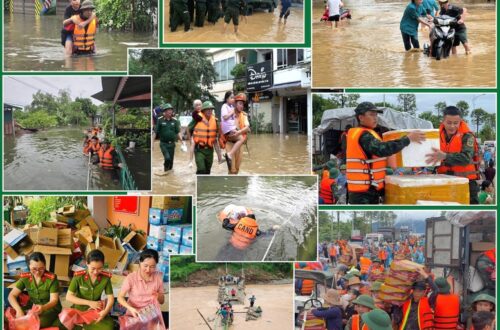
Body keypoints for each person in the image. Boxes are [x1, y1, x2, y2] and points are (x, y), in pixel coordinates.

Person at [346, 102, 426, 204]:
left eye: (376, 115)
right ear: (361, 117)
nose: (375, 118)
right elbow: (382, 150)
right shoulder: (364, 135)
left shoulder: (366, 133)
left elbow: (374, 160)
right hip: (363, 195)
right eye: (371, 115)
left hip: (367, 190)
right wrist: (407, 139)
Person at [425, 106, 480, 204]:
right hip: (445, 181)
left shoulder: (467, 136)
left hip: (466, 183)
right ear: (443, 121)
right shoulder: (436, 135)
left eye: (456, 123)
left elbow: (466, 158)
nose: (452, 126)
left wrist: (445, 156)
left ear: (460, 122)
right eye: (449, 123)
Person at [7, 253, 62, 328]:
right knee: (7, 317)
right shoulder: (25, 277)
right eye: (34, 269)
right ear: (29, 266)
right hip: (32, 306)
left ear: (45, 266)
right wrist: (18, 310)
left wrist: (43, 307)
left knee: (37, 322)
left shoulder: (51, 278)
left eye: (41, 268)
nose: (37, 272)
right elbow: (12, 295)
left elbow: (54, 300)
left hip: (49, 308)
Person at [65, 250, 115, 329]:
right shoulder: (78, 276)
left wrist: (105, 312)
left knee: (110, 327)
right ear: (87, 264)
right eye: (93, 268)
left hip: (95, 311)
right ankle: (82, 324)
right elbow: (68, 297)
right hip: (80, 310)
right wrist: (89, 303)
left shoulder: (105, 278)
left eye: (99, 268)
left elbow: (111, 298)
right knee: (65, 322)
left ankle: (83, 325)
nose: (96, 272)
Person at [117, 249, 166, 329]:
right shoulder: (131, 278)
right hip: (134, 314)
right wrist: (131, 308)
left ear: (156, 265)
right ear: (140, 262)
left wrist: (158, 296)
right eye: (145, 266)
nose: (148, 270)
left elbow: (162, 301)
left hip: (151, 315)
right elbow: (120, 297)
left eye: (152, 267)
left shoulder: (158, 277)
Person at [191, 101, 220, 174]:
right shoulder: (197, 119)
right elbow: (188, 129)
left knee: (207, 171)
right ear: (203, 110)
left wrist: (219, 155)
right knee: (201, 169)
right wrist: (191, 140)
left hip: (210, 150)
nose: (210, 111)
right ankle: (198, 182)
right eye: (208, 109)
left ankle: (198, 182)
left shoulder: (215, 121)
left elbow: (215, 140)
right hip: (199, 150)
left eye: (211, 109)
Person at [225, 92, 250, 174]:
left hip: (240, 145)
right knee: (231, 170)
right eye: (239, 103)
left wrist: (238, 132)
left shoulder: (244, 115)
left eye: (243, 104)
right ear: (235, 104)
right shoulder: (229, 113)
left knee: (237, 169)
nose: (241, 106)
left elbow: (247, 127)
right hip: (229, 143)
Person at [154, 103, 182, 175]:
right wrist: (152, 143)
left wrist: (182, 141)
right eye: (168, 110)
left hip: (172, 144)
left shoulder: (175, 121)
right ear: (165, 112)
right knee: (167, 158)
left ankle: (169, 176)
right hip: (163, 144)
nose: (170, 112)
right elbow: (155, 132)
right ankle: (165, 171)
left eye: (171, 110)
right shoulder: (160, 120)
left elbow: (178, 132)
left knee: (171, 162)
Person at [188, 99, 203, 167]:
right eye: (196, 105)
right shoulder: (194, 114)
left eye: (199, 105)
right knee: (192, 144)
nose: (198, 106)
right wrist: (189, 139)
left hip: (202, 134)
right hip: (194, 132)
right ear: (194, 107)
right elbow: (188, 128)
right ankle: (190, 161)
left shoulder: (203, 112)